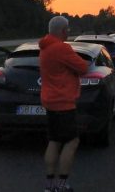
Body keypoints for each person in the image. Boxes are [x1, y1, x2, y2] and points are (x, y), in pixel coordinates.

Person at [39, 16, 89, 192]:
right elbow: (83, 67)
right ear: (63, 31)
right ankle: (62, 184)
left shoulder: (45, 48)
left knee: (54, 140)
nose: (68, 32)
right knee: (72, 141)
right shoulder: (61, 48)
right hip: (63, 102)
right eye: (67, 29)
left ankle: (50, 183)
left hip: (50, 100)